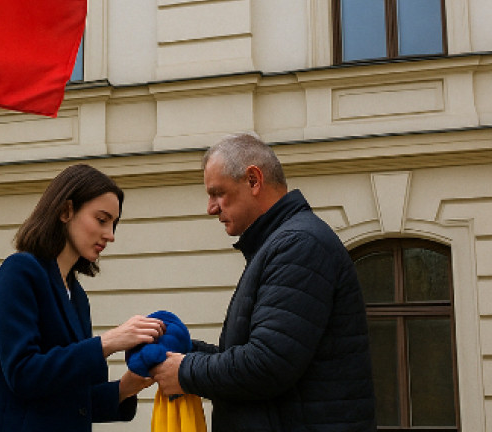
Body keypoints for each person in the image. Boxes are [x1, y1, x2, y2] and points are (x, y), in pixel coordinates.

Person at [151, 133, 375, 431]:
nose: (211, 208)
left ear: (253, 180)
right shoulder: (282, 243)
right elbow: (258, 354)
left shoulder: (298, 244)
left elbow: (268, 364)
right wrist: (181, 349)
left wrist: (183, 371)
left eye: (218, 193)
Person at [0, 163, 161, 431]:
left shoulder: (78, 297)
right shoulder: (19, 272)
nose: (111, 235)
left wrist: (127, 386)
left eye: (114, 224)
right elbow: (23, 375)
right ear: (65, 211)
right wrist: (107, 343)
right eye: (102, 220)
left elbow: (74, 402)